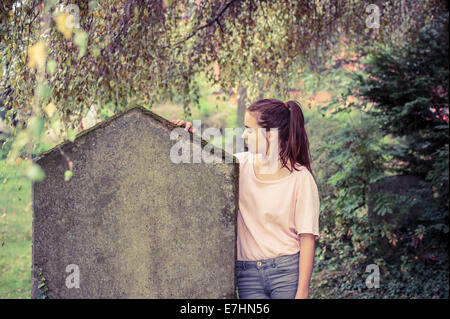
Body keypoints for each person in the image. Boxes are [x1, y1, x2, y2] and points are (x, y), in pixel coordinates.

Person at [171, 98, 320, 299]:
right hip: (247, 274)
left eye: (249, 129)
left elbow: (307, 238)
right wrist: (190, 138)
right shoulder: (239, 165)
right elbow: (205, 168)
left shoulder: (300, 178)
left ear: (270, 134)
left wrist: (302, 292)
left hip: (286, 273)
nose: (243, 135)